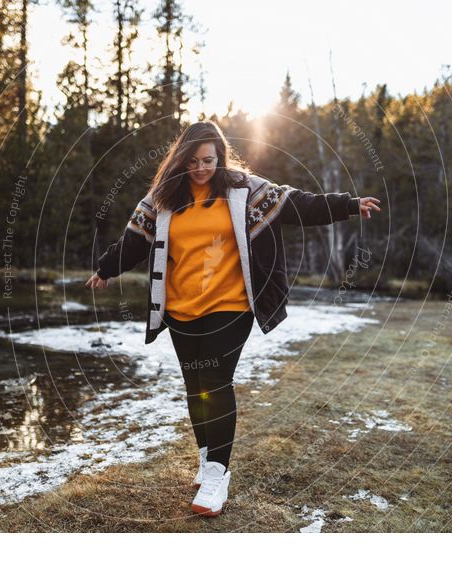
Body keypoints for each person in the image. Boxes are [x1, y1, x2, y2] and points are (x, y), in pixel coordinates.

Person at [86, 121, 381, 517]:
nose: (202, 168)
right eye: (193, 162)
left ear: (220, 158)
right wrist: (106, 269)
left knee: (216, 381)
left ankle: (217, 475)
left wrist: (347, 204)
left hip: (232, 305)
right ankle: (208, 457)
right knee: (196, 385)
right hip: (179, 307)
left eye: (209, 160)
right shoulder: (162, 199)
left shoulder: (246, 190)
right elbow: (134, 242)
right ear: (180, 161)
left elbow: (298, 204)